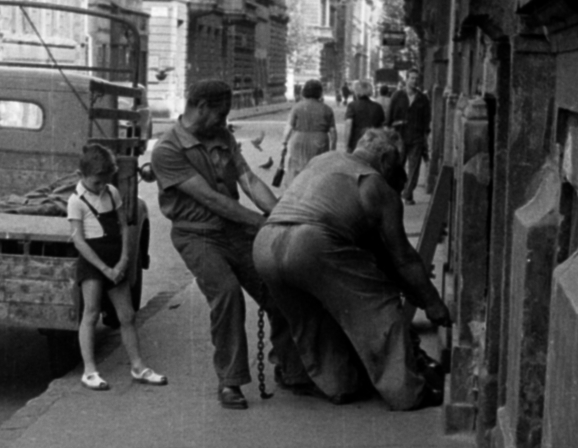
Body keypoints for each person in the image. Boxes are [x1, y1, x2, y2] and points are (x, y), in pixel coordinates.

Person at [251, 130, 452, 409]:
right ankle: (408, 392)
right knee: (379, 304)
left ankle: (325, 381)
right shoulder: (376, 185)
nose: (399, 173)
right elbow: (401, 258)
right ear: (385, 159)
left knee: (309, 319)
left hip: (265, 243)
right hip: (311, 244)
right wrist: (433, 303)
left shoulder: (325, 160)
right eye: (398, 165)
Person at [150, 78, 308, 410]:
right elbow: (212, 200)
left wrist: (279, 213)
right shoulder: (168, 150)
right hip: (197, 235)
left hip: (234, 231)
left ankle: (291, 367)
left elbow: (249, 180)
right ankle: (230, 381)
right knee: (227, 295)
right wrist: (262, 223)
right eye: (220, 115)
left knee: (279, 287)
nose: (224, 122)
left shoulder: (221, 136)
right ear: (201, 107)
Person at [68, 143, 167, 392]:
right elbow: (78, 240)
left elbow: (123, 226)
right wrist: (104, 268)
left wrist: (123, 260)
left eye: (105, 181)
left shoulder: (112, 193)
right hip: (93, 263)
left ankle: (138, 366)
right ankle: (89, 370)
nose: (101, 187)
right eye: (96, 183)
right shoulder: (76, 201)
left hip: (115, 262)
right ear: (81, 176)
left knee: (127, 315)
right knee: (90, 313)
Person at [279, 78, 337, 187]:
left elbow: (289, 128)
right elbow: (333, 133)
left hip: (299, 140)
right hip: (320, 141)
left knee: (297, 168)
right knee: (318, 169)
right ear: (320, 92)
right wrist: (332, 150)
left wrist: (284, 143)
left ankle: (295, 191)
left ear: (304, 91)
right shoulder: (327, 109)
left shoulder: (297, 107)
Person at [388, 68, 432, 202]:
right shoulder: (397, 96)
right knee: (398, 165)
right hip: (400, 136)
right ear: (406, 79)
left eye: (416, 79)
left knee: (414, 168)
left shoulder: (422, 98)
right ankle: (399, 191)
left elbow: (427, 118)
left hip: (416, 138)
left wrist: (426, 136)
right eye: (412, 78)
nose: (414, 81)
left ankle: (407, 192)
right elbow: (389, 116)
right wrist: (390, 133)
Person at [341, 78, 385, 153]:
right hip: (373, 144)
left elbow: (348, 125)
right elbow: (381, 128)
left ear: (357, 92)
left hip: (356, 143)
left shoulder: (352, 106)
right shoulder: (378, 107)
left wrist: (346, 145)